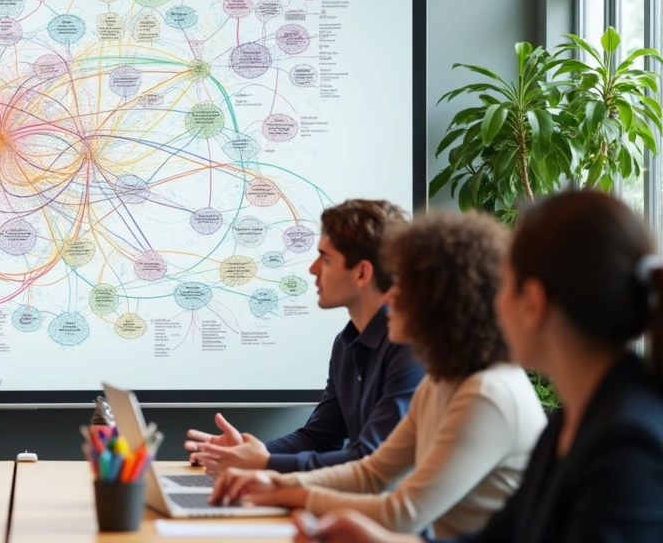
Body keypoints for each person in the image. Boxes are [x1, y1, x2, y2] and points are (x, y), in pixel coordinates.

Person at [289, 190, 663, 543]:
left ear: (532, 302)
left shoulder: (625, 441)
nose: (490, 304)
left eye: (502, 287)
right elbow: (496, 538)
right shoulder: (573, 423)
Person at [212, 210, 546, 538]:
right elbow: (370, 473)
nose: (389, 296)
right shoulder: (439, 383)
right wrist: (275, 481)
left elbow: (402, 514)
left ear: (442, 303)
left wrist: (283, 490)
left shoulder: (486, 393)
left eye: (406, 287)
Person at [186, 199, 424, 473]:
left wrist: (263, 462)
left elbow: (372, 458)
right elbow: (320, 437)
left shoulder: (410, 345)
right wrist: (247, 453)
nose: (313, 269)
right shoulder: (345, 344)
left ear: (361, 272)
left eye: (326, 258)